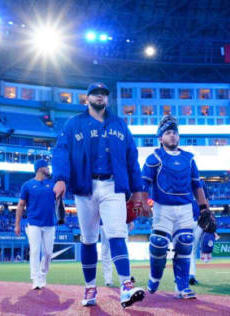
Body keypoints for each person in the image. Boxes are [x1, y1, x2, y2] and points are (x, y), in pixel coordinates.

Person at [52, 82, 150, 308]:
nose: (100, 97)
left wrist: (138, 191)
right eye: (95, 94)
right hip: (85, 187)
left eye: (104, 95)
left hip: (113, 186)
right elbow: (61, 151)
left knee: (116, 234)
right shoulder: (74, 123)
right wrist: (60, 178)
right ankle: (90, 288)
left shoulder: (119, 124)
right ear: (87, 98)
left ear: (107, 99)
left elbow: (132, 158)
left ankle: (126, 285)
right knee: (88, 239)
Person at [142, 115, 215, 299]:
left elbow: (197, 185)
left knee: (184, 244)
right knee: (158, 244)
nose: (172, 135)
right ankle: (154, 277)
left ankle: (182, 287)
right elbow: (143, 183)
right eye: (168, 133)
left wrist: (204, 208)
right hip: (162, 208)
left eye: (175, 132)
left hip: (185, 209)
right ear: (160, 138)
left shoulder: (189, 159)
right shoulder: (154, 158)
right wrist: (142, 203)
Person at [14, 159, 56, 290]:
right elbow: (21, 205)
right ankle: (35, 279)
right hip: (33, 223)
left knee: (48, 252)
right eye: (46, 167)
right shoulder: (27, 185)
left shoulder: (53, 183)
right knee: (35, 251)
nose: (49, 169)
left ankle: (43, 274)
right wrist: (17, 224)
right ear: (40, 169)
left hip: (50, 223)